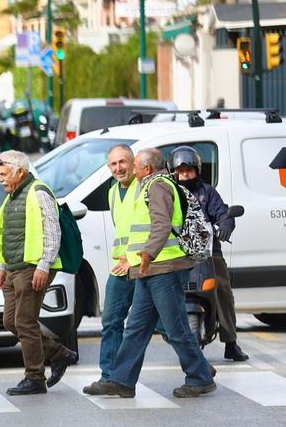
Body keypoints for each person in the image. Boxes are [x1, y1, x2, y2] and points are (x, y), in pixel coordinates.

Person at [87, 148, 216, 399]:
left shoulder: (157, 186)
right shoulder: (147, 186)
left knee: (175, 325)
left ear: (146, 168)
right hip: (148, 270)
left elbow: (161, 224)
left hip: (163, 268)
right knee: (136, 327)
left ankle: (200, 376)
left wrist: (148, 253)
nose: (131, 170)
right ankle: (122, 380)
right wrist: (138, 258)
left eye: (134, 165)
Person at [0, 150, 76, 396]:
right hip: (13, 268)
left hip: (32, 267)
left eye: (4, 174)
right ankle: (59, 354)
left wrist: (44, 265)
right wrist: (2, 267)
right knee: (10, 321)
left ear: (20, 171)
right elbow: (10, 235)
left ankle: (35, 377)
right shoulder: (13, 195)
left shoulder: (38, 192)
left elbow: (52, 230)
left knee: (24, 321)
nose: (0, 180)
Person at [171, 145, 247, 362]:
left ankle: (231, 343)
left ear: (197, 170)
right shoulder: (169, 192)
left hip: (208, 252)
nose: (185, 175)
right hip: (177, 253)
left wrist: (225, 225)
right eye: (181, 171)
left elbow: (224, 213)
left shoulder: (208, 193)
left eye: (189, 170)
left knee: (223, 291)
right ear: (174, 171)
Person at [97, 144, 140, 381]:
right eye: (113, 164)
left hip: (145, 265)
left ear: (133, 163)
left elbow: (154, 228)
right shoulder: (113, 191)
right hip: (121, 268)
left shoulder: (143, 187)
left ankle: (199, 367)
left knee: (168, 324)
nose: (118, 168)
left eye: (122, 162)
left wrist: (133, 258)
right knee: (111, 320)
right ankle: (109, 376)